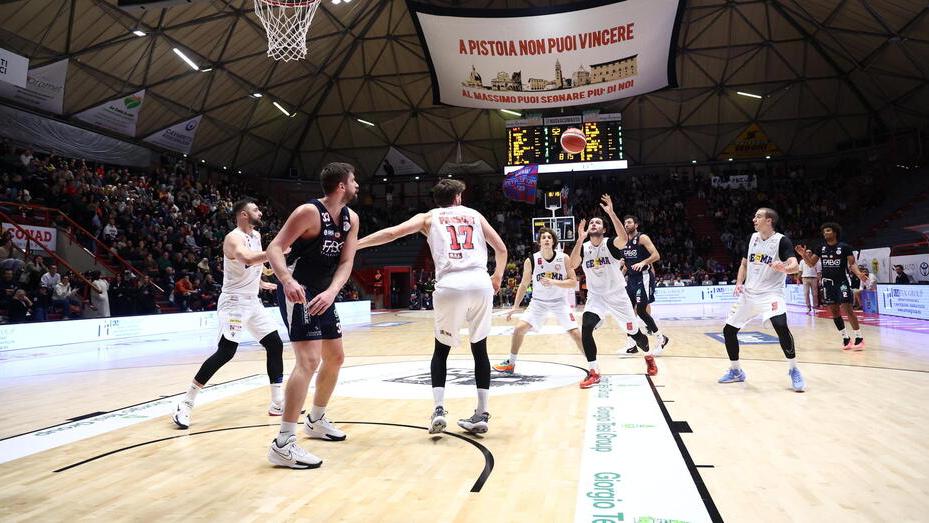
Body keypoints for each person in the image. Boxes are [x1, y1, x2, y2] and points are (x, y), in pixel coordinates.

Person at [357, 179, 507, 436]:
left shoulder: (428, 217)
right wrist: (497, 277)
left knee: (441, 350)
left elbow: (392, 233)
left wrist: (356, 245)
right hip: (480, 282)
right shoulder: (474, 215)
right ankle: (482, 413)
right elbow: (501, 249)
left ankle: (438, 409)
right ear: (458, 197)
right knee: (480, 349)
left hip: (450, 285)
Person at [265, 163, 360, 469]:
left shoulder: (351, 219)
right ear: (342, 185)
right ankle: (283, 443)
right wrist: (287, 281)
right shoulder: (308, 212)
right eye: (354, 180)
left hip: (324, 293)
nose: (357, 185)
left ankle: (316, 419)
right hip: (299, 291)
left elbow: (346, 262)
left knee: (336, 358)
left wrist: (333, 292)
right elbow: (275, 247)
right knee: (308, 361)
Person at [172, 200, 286, 429]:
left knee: (275, 344)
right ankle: (185, 403)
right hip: (234, 303)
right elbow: (247, 259)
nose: (260, 211)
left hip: (252, 302)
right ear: (243, 214)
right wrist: (275, 252)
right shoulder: (233, 238)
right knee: (226, 352)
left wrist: (263, 282)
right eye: (256, 209)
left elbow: (253, 268)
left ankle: (277, 403)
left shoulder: (256, 236)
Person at [568, 195, 655, 389]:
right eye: (591, 222)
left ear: (604, 229)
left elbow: (624, 238)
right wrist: (579, 239)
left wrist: (610, 212)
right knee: (586, 327)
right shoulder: (585, 247)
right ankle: (594, 371)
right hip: (596, 297)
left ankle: (648, 355)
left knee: (634, 333)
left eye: (598, 222)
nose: (593, 224)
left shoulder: (610, 244)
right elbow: (573, 265)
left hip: (617, 296)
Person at [719, 208, 804, 391]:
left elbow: (795, 266)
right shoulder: (751, 238)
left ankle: (794, 369)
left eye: (758, 216)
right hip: (749, 294)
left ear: (769, 220)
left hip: (771, 293)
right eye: (754, 216)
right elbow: (744, 264)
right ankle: (736, 371)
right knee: (728, 331)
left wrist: (784, 269)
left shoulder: (782, 240)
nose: (754, 219)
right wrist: (739, 282)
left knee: (781, 326)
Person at [494, 227, 585, 374]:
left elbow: (573, 282)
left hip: (559, 302)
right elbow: (524, 284)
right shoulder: (531, 260)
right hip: (538, 302)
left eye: (549, 237)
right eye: (544, 238)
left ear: (554, 241)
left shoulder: (564, 258)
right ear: (539, 242)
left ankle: (593, 366)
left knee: (575, 333)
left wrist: (553, 282)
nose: (547, 239)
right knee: (518, 329)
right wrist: (515, 306)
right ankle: (511, 363)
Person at [795, 222, 869, 350]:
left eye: (828, 231)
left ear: (835, 232)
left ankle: (859, 337)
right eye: (824, 231)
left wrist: (858, 274)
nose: (825, 233)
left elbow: (852, 264)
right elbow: (811, 264)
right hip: (828, 284)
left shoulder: (844, 247)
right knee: (835, 312)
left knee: (847, 309)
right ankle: (846, 338)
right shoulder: (820, 248)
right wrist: (803, 255)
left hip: (842, 283)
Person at [618, 215, 669, 354]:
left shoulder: (642, 238)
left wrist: (643, 262)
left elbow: (656, 255)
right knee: (628, 312)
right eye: (625, 222)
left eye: (629, 222)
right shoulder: (622, 242)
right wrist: (620, 272)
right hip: (631, 279)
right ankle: (632, 345)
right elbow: (626, 265)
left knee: (641, 311)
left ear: (636, 224)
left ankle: (661, 338)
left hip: (644, 277)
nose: (626, 224)